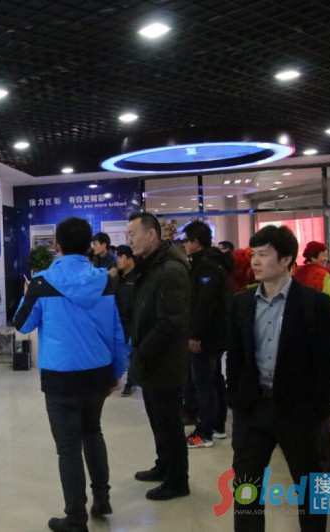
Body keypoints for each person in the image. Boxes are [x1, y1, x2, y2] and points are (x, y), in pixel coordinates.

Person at [15, 217, 128, 532]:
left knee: (68, 449)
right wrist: (116, 371)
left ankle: (76, 518)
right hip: (98, 375)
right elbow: (119, 332)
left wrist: (27, 293)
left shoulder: (42, 283)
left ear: (57, 245)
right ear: (89, 245)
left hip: (61, 379)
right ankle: (102, 499)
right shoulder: (106, 281)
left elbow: (21, 324)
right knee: (93, 433)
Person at [227, 225, 330, 532]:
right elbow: (235, 356)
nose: (255, 261)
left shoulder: (315, 304)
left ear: (287, 258)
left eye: (264, 255)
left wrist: (317, 409)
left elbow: (328, 361)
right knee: (246, 490)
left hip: (298, 411)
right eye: (253, 254)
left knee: (310, 488)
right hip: (253, 408)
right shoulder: (242, 303)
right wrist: (235, 398)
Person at [125, 212, 191, 501]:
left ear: (151, 234)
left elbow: (172, 322)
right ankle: (164, 465)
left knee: (169, 423)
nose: (129, 240)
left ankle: (177, 480)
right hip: (151, 360)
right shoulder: (152, 266)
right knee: (158, 420)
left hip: (164, 361)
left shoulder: (170, 269)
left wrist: (142, 351)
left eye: (133, 234)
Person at [182, 221, 230, 449]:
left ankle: (204, 432)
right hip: (214, 335)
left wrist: (195, 335)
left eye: (186, 240)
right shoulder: (206, 263)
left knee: (204, 383)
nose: (184, 245)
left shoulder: (207, 267)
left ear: (196, 242)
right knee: (214, 380)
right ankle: (218, 425)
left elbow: (205, 304)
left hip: (207, 336)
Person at [112, 245, 138, 397]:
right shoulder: (117, 278)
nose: (118, 260)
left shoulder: (138, 278)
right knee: (121, 353)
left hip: (133, 321)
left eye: (121, 257)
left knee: (131, 353)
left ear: (130, 259)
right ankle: (118, 379)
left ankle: (131, 382)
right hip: (119, 321)